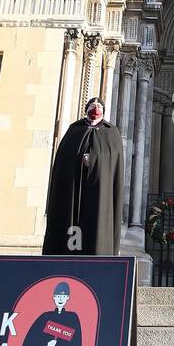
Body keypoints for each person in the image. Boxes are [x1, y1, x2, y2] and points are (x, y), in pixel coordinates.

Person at [42, 95, 124, 256]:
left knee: (97, 222)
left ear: (103, 111)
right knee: (70, 219)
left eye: (99, 106)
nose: (96, 109)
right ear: (86, 109)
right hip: (74, 189)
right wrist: (80, 160)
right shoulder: (74, 130)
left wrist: (94, 161)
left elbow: (112, 165)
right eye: (92, 105)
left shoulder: (111, 133)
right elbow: (64, 161)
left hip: (100, 191)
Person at [20, 280, 82, 346]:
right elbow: (30, 343)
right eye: (58, 296)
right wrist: (45, 343)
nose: (60, 299)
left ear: (68, 298)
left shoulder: (72, 318)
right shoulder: (45, 317)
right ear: (53, 297)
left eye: (63, 296)